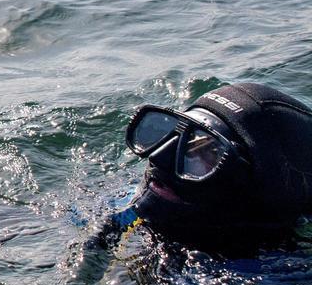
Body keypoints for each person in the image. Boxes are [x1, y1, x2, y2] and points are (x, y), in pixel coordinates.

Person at [123, 82, 312, 246]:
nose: (158, 157)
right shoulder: (119, 205)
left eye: (210, 152)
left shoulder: (271, 272)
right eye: (183, 139)